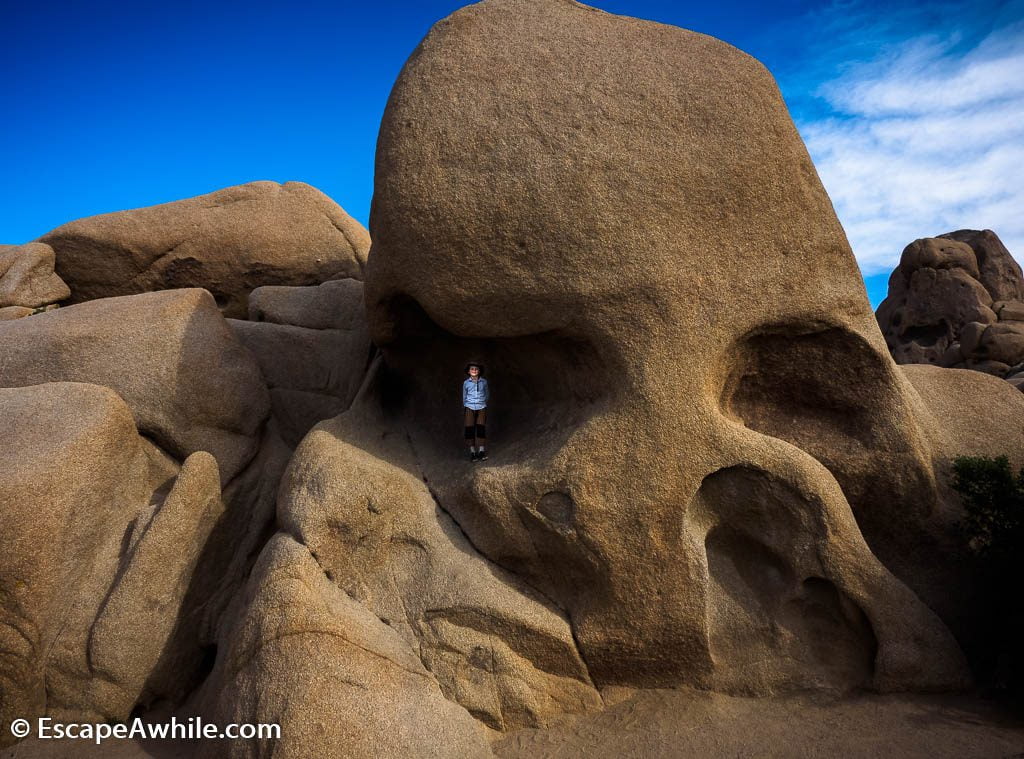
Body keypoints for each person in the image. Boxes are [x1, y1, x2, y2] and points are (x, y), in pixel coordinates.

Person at [462, 361, 489, 462]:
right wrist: (466, 405)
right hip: (469, 407)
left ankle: (481, 451)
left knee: (481, 428)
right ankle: (472, 452)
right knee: (469, 429)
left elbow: (487, 395)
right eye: (472, 369)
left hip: (481, 406)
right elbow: (464, 397)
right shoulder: (466, 383)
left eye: (476, 369)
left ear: (479, 371)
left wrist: (482, 403)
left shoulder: (484, 382)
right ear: (469, 371)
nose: (474, 371)